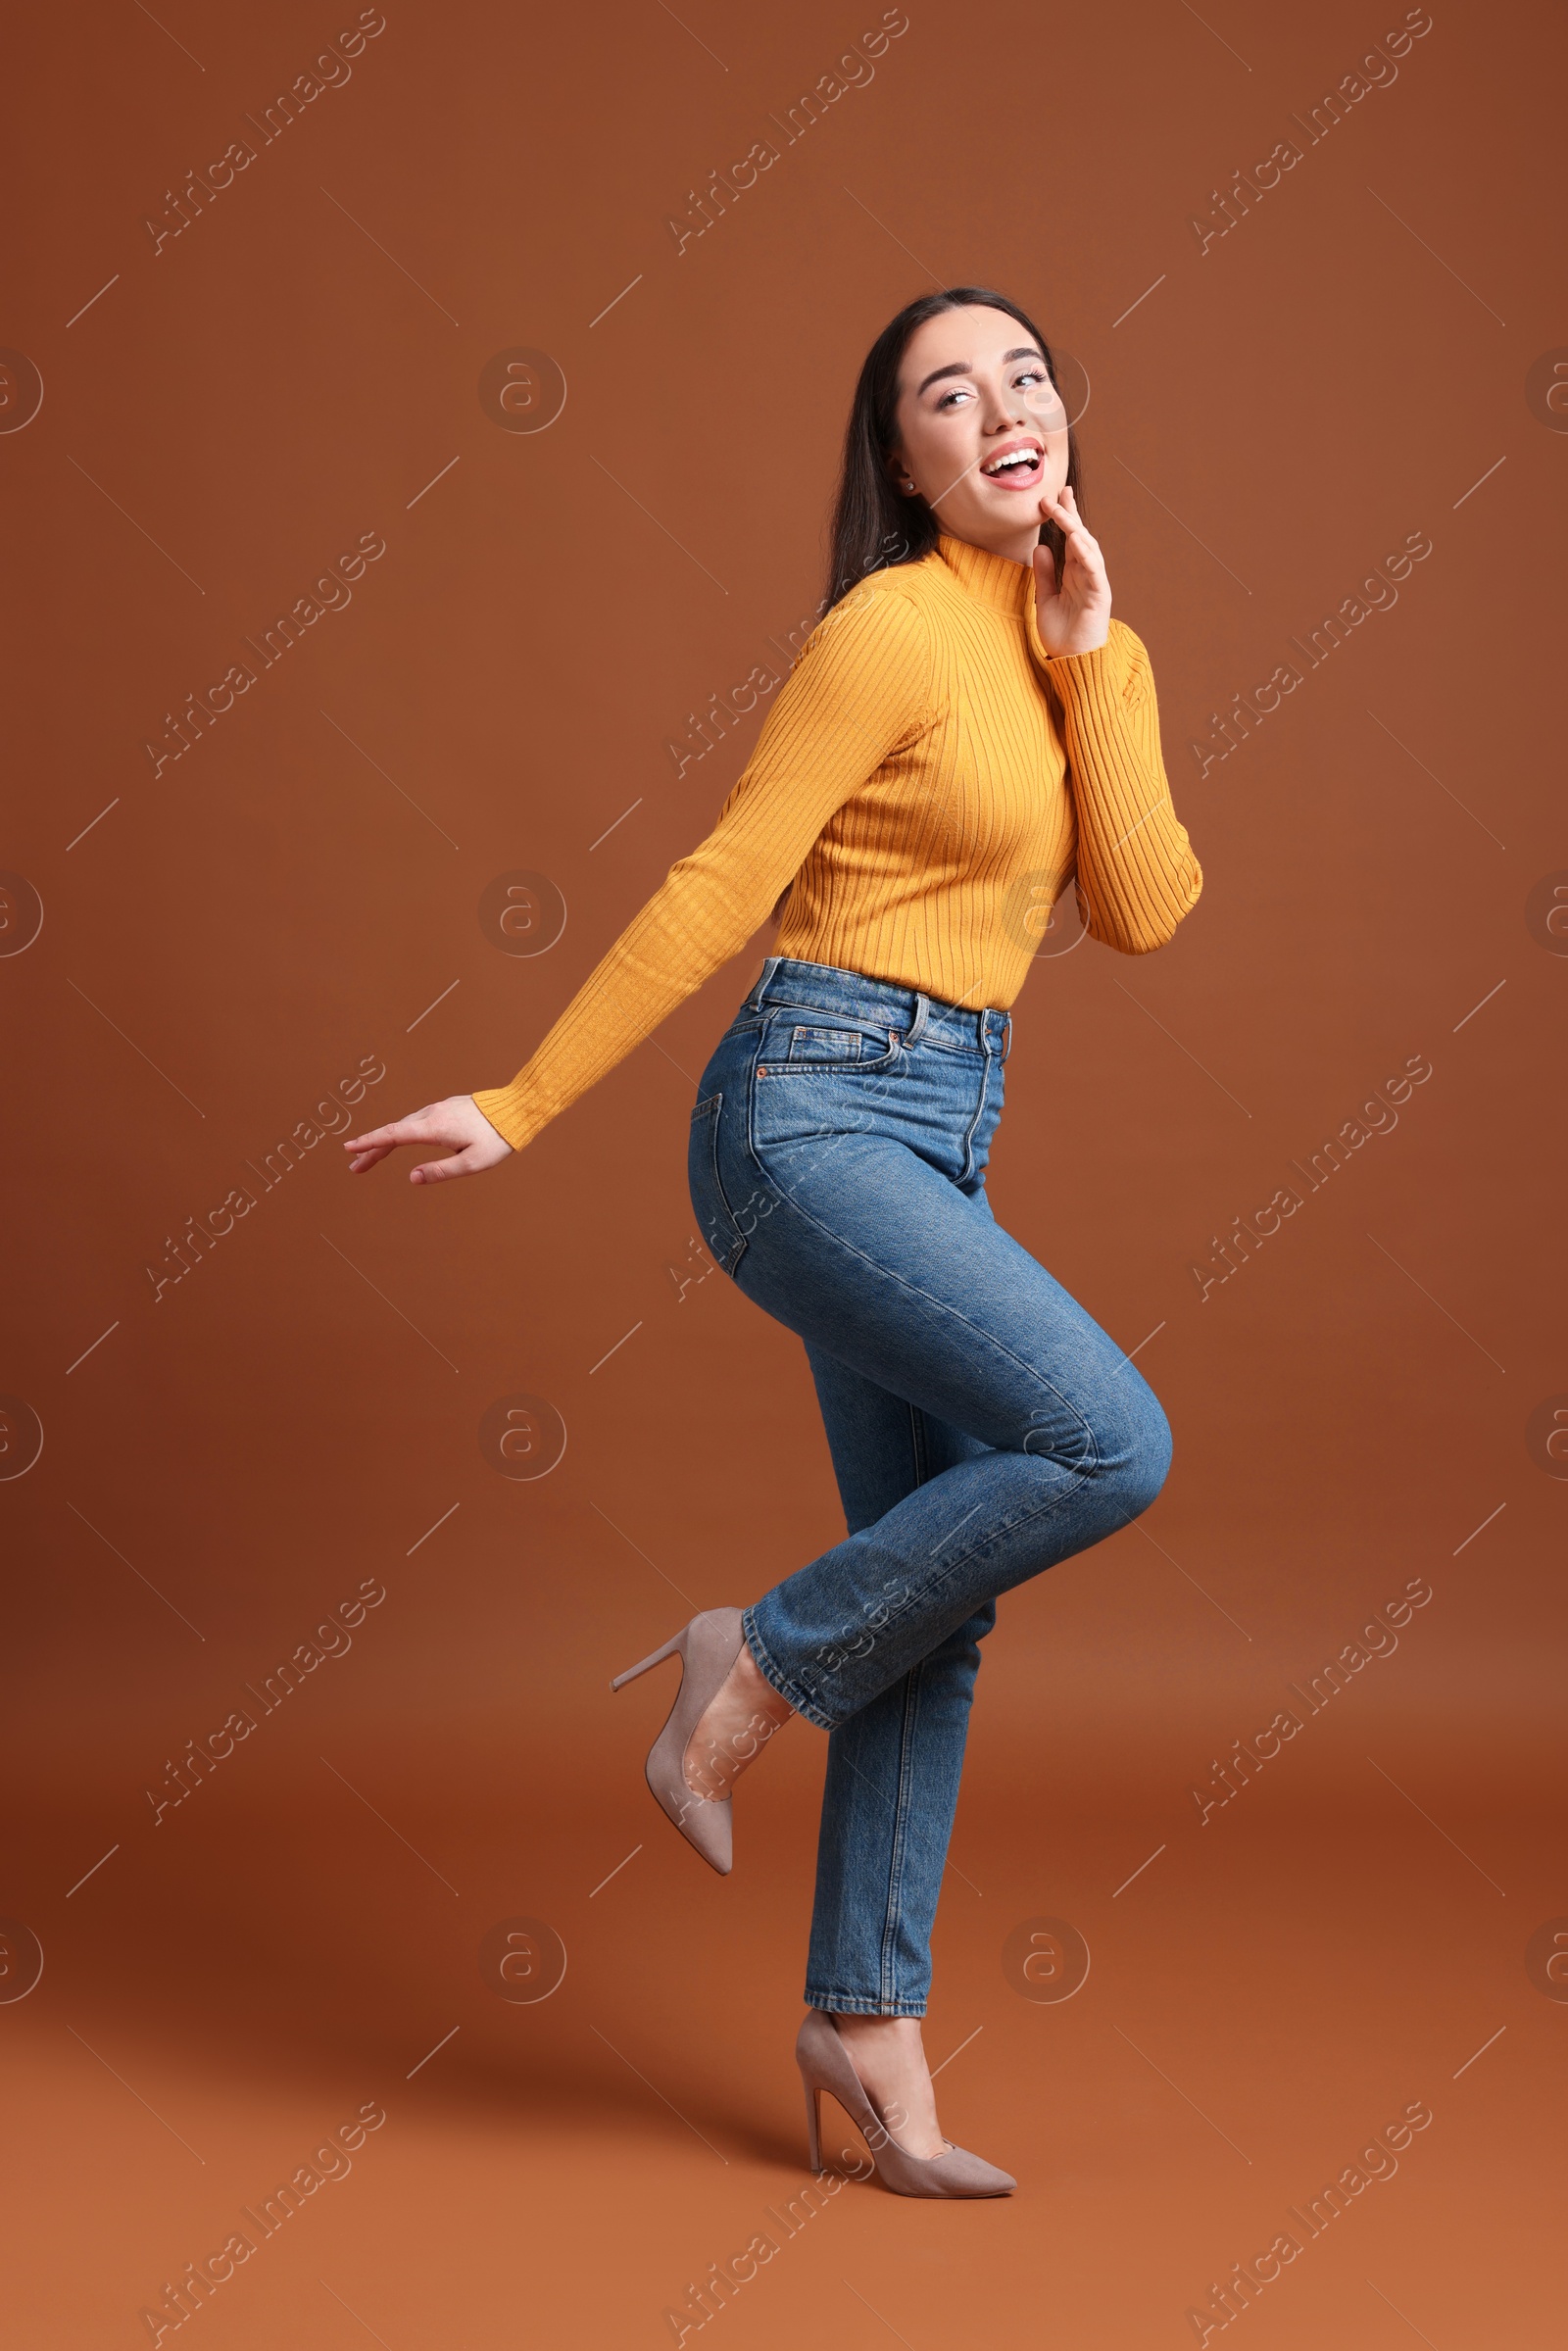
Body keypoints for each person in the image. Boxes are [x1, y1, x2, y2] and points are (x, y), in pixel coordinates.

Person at [343, 286, 1202, 2197]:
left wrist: (1089, 658)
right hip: (805, 1115)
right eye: (945, 392)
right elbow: (721, 875)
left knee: (946, 1599)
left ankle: (861, 2028)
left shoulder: (1079, 643)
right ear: (895, 460)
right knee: (1101, 1443)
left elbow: (1141, 907)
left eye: (1027, 377)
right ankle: (756, 1658)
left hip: (936, 1132)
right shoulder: (882, 630)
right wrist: (522, 1097)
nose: (1002, 410)